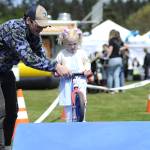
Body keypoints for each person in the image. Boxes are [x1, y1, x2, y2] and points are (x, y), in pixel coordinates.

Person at [0, 4, 70, 150]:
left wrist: (54, 68)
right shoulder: (14, 28)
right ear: (28, 20)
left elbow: (40, 55)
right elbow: (28, 58)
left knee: (12, 112)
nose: (41, 29)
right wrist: (54, 66)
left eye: (43, 26)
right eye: (39, 26)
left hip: (5, 71)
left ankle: (7, 146)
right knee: (2, 112)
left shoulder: (34, 34)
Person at [56, 28, 91, 122]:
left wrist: (87, 70)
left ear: (78, 42)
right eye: (69, 44)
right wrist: (58, 72)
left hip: (80, 79)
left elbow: (87, 62)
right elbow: (56, 65)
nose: (72, 47)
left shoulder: (81, 53)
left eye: (74, 44)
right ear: (64, 43)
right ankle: (69, 122)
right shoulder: (61, 54)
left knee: (82, 102)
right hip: (67, 81)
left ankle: (82, 121)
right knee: (68, 104)